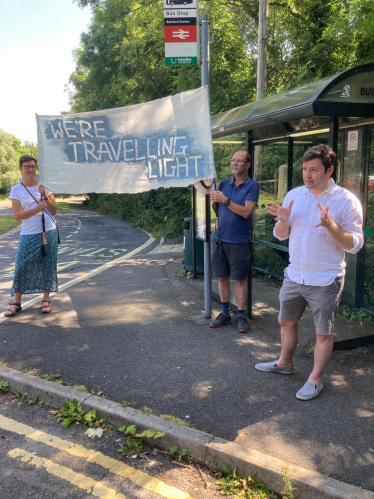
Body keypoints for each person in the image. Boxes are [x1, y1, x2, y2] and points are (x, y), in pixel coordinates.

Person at [255, 144, 363, 400]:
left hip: (325, 279)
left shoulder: (346, 201)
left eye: (314, 170)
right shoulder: (295, 195)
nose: (308, 175)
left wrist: (330, 225)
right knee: (285, 321)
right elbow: (282, 235)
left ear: (330, 169)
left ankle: (314, 380)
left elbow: (354, 245)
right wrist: (282, 219)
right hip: (295, 274)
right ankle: (284, 362)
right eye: (305, 169)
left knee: (322, 333)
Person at [209, 150, 260, 333]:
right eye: (233, 160)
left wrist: (225, 200)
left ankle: (240, 315)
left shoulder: (252, 186)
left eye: (239, 161)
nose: (234, 164)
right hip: (221, 238)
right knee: (222, 276)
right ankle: (224, 313)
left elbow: (246, 212)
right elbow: (217, 208)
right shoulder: (223, 183)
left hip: (239, 240)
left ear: (247, 165)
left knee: (239, 278)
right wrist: (215, 200)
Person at [4, 155, 58, 317]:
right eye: (27, 166)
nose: (31, 169)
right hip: (28, 233)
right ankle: (16, 302)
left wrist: (46, 195)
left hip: (48, 231)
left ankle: (46, 299)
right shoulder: (16, 189)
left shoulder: (45, 186)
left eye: (33, 166)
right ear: (20, 168)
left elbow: (54, 210)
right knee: (21, 265)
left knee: (47, 264)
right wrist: (36, 209)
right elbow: (17, 216)